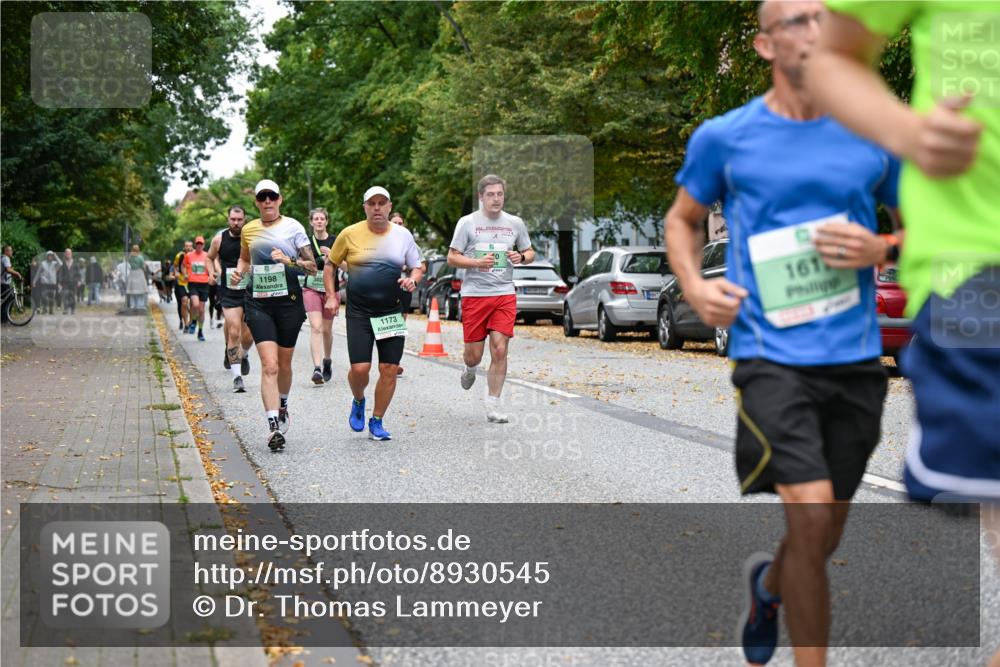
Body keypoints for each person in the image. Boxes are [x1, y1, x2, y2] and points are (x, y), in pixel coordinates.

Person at [664, 2, 902, 665]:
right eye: (798, 19)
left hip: (855, 360)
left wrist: (880, 245)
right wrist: (693, 284)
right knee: (810, 512)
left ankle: (768, 586)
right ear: (766, 45)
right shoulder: (725, 136)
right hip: (768, 354)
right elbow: (682, 220)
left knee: (824, 531)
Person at [808, 0, 1000, 501]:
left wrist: (885, 244)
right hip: (978, 268)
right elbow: (833, 56)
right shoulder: (729, 141)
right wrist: (911, 133)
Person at [326, 186, 422, 441]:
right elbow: (330, 265)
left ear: (390, 207)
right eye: (372, 203)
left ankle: (377, 420)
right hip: (359, 312)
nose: (377, 208)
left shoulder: (402, 235)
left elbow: (417, 266)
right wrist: (331, 295)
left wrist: (413, 279)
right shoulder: (349, 234)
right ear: (365, 207)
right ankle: (358, 400)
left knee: (389, 368)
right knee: (360, 369)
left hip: (390, 311)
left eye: (382, 203)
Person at [229, 179, 317, 451]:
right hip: (259, 303)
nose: (267, 201)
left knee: (284, 363)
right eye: (262, 197)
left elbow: (313, 267)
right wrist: (239, 271)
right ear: (257, 202)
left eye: (272, 196)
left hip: (289, 303)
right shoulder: (249, 229)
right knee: (270, 365)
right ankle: (272, 427)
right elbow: (245, 258)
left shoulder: (294, 228)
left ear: (280, 199)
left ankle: (283, 404)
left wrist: (288, 260)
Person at [447, 174, 535, 423]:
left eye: (500, 194)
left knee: (500, 349)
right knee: (473, 354)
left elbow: (530, 251)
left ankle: (493, 404)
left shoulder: (515, 223)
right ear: (481, 197)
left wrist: (522, 257)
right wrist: (475, 262)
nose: (496, 199)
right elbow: (452, 257)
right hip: (475, 295)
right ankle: (470, 368)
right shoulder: (467, 223)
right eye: (491, 195)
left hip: (504, 293)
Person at [207, 205, 254, 393]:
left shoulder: (252, 239)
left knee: (249, 336)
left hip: (250, 291)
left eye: (239, 220)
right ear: (228, 220)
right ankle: (237, 377)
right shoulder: (219, 240)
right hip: (229, 291)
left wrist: (253, 267)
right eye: (233, 219)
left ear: (244, 220)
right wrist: (211, 274)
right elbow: (209, 258)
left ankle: (243, 355)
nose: (236, 223)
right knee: (234, 331)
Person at [302, 207, 339, 384]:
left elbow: (344, 264)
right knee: (315, 327)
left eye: (322, 219)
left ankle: (327, 360)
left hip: (331, 290)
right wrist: (316, 262)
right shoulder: (306, 243)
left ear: (326, 221)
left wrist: (331, 257)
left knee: (326, 330)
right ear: (311, 222)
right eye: (315, 219)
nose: (319, 221)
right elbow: (301, 264)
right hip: (311, 288)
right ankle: (317, 368)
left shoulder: (335, 241)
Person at [388, 211, 426, 376]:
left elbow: (422, 267)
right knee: (387, 323)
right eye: (394, 223)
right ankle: (388, 359)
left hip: (404, 288)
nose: (397, 226)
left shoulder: (411, 244)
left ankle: (395, 361)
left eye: (400, 223)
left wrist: (410, 270)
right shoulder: (383, 241)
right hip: (386, 288)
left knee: (399, 325)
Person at [183, 236, 213, 341]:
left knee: (201, 310)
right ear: (195, 245)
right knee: (195, 304)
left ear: (204, 245)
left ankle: (200, 331)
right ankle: (194, 321)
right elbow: (184, 266)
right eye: (197, 244)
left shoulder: (207, 256)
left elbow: (211, 268)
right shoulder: (188, 256)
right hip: (193, 283)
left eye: (201, 244)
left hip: (204, 284)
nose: (199, 246)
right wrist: (185, 274)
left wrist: (212, 276)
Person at [173, 241, 193, 332]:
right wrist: (176, 272)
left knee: (193, 304)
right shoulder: (179, 256)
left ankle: (190, 321)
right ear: (184, 247)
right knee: (184, 302)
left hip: (193, 282)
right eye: (187, 246)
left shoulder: (194, 255)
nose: (188, 248)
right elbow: (175, 266)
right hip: (181, 282)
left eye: (190, 246)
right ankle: (185, 324)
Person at [57, 248, 82, 315]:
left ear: (71, 254)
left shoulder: (75, 263)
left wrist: (79, 281)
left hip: (73, 282)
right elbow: (60, 273)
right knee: (65, 296)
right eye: (67, 253)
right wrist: (59, 282)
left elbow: (78, 273)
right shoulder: (63, 263)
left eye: (69, 253)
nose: (68, 254)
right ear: (65, 254)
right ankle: (65, 309)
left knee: (72, 296)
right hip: (65, 283)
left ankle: (73, 309)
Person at [1, 245, 23, 322]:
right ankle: (4, 319)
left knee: (5, 300)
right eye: (10, 250)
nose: (12, 252)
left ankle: (4, 319)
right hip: (3, 283)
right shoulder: (6, 258)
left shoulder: (2, 258)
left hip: (3, 282)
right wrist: (17, 274)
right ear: (6, 251)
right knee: (9, 299)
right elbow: (8, 269)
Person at [125, 245, 148, 310]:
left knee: (132, 289)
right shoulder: (140, 257)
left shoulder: (130, 257)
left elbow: (128, 263)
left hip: (132, 273)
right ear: (138, 250)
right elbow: (143, 266)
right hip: (139, 273)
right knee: (141, 290)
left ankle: (133, 305)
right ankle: (140, 305)